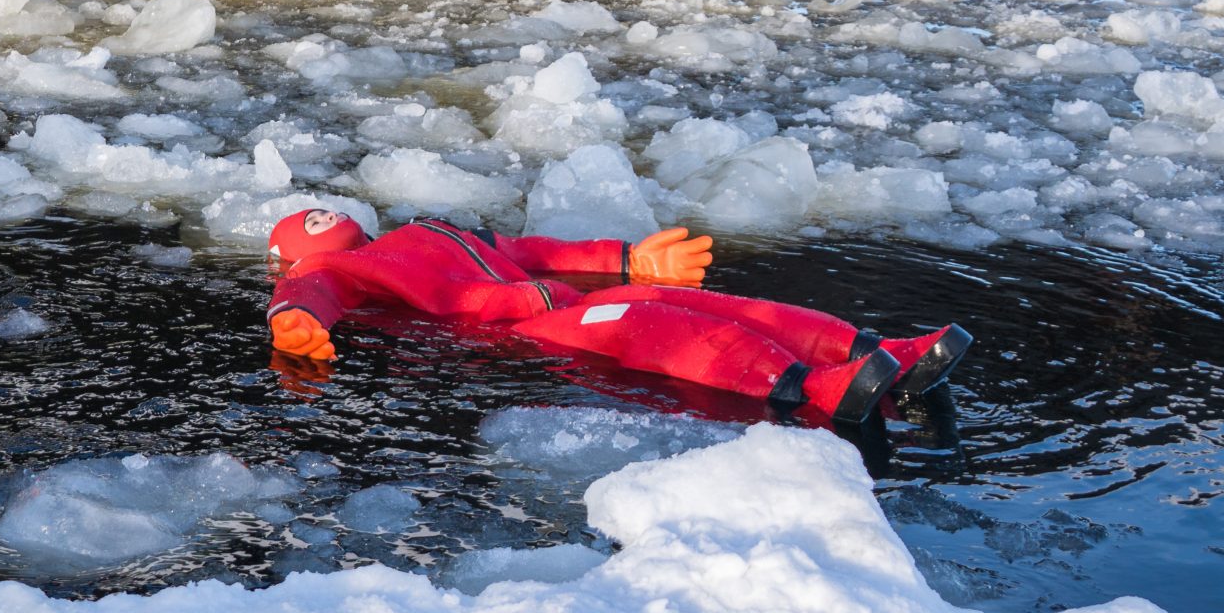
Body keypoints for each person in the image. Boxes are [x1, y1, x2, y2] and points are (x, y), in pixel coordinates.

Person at [261, 209, 970, 423]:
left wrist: (629, 260)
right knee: (650, 326)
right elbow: (311, 299)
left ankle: (879, 351)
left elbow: (530, 248)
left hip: (562, 302)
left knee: (696, 303)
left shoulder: (427, 233)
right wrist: (291, 319)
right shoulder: (326, 272)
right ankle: (809, 386)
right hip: (519, 329)